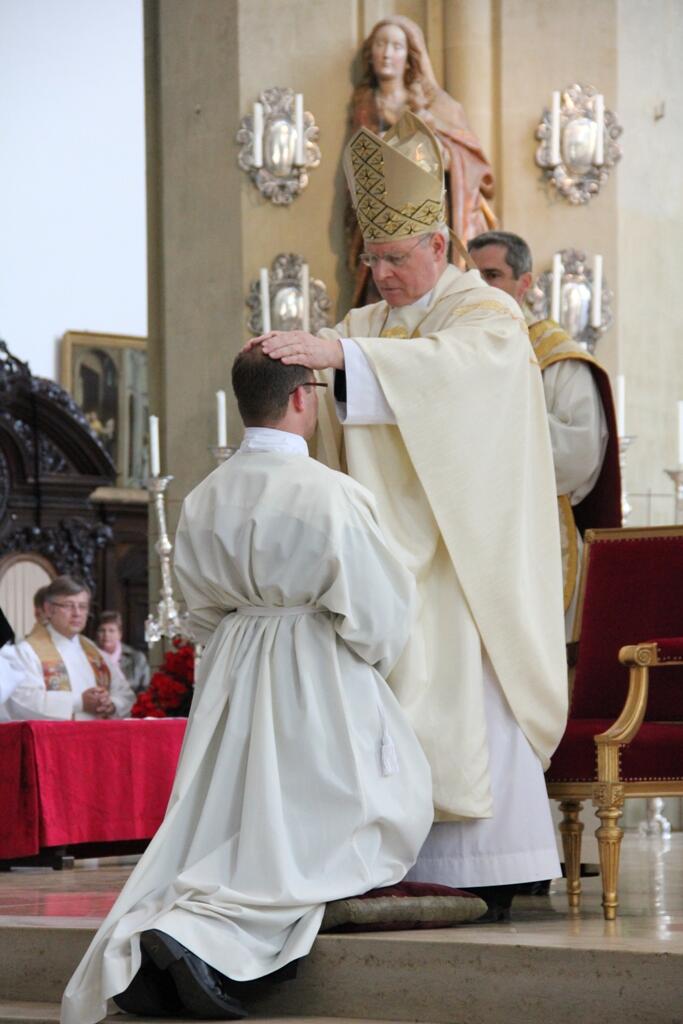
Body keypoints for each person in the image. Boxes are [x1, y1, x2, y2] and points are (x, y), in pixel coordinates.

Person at [247, 112, 568, 919]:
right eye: (370, 259)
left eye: (394, 257)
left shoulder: (483, 314)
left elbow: (463, 380)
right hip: (391, 556)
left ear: (437, 244)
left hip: (467, 564)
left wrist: (347, 360)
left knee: (466, 696)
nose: (380, 273)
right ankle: (402, 860)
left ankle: (497, 864)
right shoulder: (366, 323)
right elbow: (342, 372)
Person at [61, 350, 433, 1024]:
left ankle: (179, 935)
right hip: (314, 662)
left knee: (234, 825)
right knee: (334, 833)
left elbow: (199, 615)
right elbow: (379, 618)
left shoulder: (206, 496)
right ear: (302, 397)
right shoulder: (329, 492)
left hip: (235, 667)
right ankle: (212, 946)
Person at [467, 230, 621, 635]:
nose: (480, 287)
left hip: (537, 531)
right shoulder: (455, 347)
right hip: (469, 525)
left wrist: (493, 425)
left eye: (492, 275)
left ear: (524, 283)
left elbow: (579, 451)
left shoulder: (556, 356)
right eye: (472, 276)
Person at [348, 15, 496, 304]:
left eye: (396, 46)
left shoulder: (436, 104)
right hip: (380, 220)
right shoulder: (365, 104)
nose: (387, 53)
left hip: (425, 218)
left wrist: (436, 147)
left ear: (410, 56)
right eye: (380, 45)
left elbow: (471, 162)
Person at [0, 575, 135, 720]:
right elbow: (21, 700)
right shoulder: (26, 651)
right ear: (49, 609)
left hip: (98, 737)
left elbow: (125, 694)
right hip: (53, 740)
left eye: (82, 606)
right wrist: (79, 702)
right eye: (68, 605)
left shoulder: (95, 653)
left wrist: (112, 704)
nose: (77, 613)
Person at [96, 611, 150, 693]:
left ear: (119, 634)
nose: (106, 635)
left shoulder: (137, 658)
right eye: (102, 630)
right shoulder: (88, 656)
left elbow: (146, 690)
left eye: (111, 631)